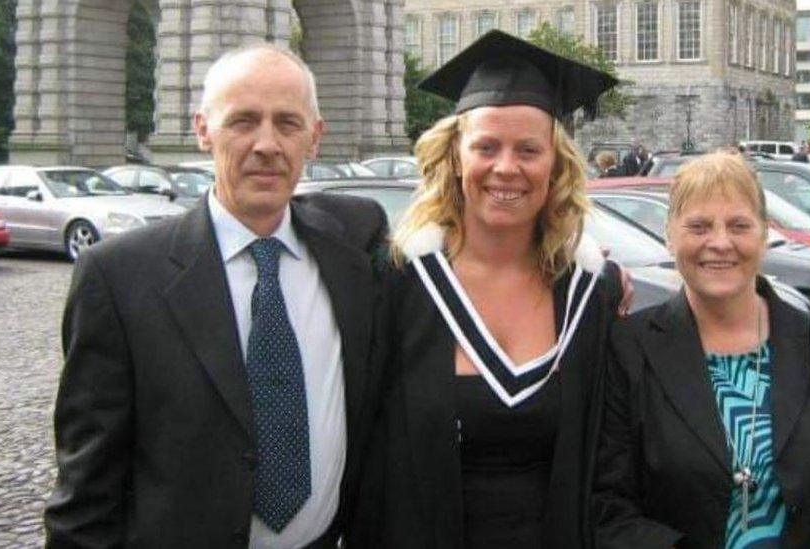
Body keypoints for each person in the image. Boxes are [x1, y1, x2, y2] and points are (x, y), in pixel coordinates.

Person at [44, 44, 388, 547]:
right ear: (203, 129)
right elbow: (86, 489)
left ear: (315, 138)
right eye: (243, 121)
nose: (267, 144)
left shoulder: (355, 242)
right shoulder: (120, 277)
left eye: (288, 123)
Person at [351, 30, 622, 549]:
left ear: (555, 165)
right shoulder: (400, 286)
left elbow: (613, 461)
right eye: (486, 147)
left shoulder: (589, 297)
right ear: (455, 157)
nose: (506, 168)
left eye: (528, 150)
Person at [592, 152, 810, 549]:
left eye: (739, 225)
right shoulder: (629, 349)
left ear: (764, 234)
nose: (720, 242)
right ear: (669, 234)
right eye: (699, 226)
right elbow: (605, 505)